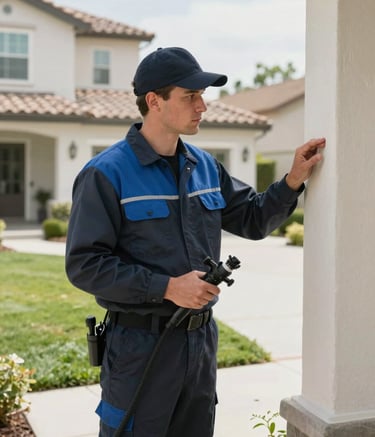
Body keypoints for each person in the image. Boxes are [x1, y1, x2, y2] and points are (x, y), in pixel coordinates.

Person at [65, 47, 325, 437]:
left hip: (199, 346)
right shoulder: (106, 173)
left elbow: (253, 219)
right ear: (154, 101)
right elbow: (84, 264)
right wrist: (168, 287)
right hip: (140, 350)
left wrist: (292, 181)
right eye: (190, 96)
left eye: (201, 96)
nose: (202, 106)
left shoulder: (204, 166)